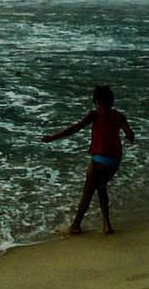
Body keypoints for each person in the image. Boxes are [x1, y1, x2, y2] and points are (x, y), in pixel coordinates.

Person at [42, 85, 135, 234]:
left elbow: (76, 128)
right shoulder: (119, 116)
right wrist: (128, 136)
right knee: (101, 187)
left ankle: (75, 225)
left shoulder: (95, 114)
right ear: (111, 100)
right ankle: (106, 225)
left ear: (97, 101)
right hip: (115, 161)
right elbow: (130, 135)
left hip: (99, 160)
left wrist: (52, 137)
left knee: (87, 192)